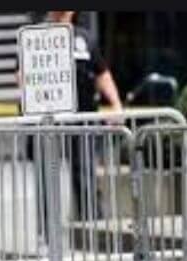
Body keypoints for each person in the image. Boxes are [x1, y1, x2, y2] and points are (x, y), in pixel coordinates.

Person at [48, 11, 123, 221]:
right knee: (47, 178)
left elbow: (102, 73)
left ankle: (92, 223)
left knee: (84, 172)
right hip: (49, 122)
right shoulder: (38, 38)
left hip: (83, 118)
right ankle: (47, 231)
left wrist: (116, 104)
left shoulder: (85, 39)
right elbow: (22, 75)